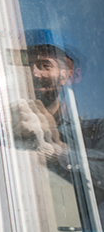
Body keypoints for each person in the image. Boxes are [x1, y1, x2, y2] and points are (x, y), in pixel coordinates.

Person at [15, 29, 104, 227]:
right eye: (29, 65)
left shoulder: (95, 129)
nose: (34, 73)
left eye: (45, 65)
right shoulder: (14, 122)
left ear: (72, 75)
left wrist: (58, 153)